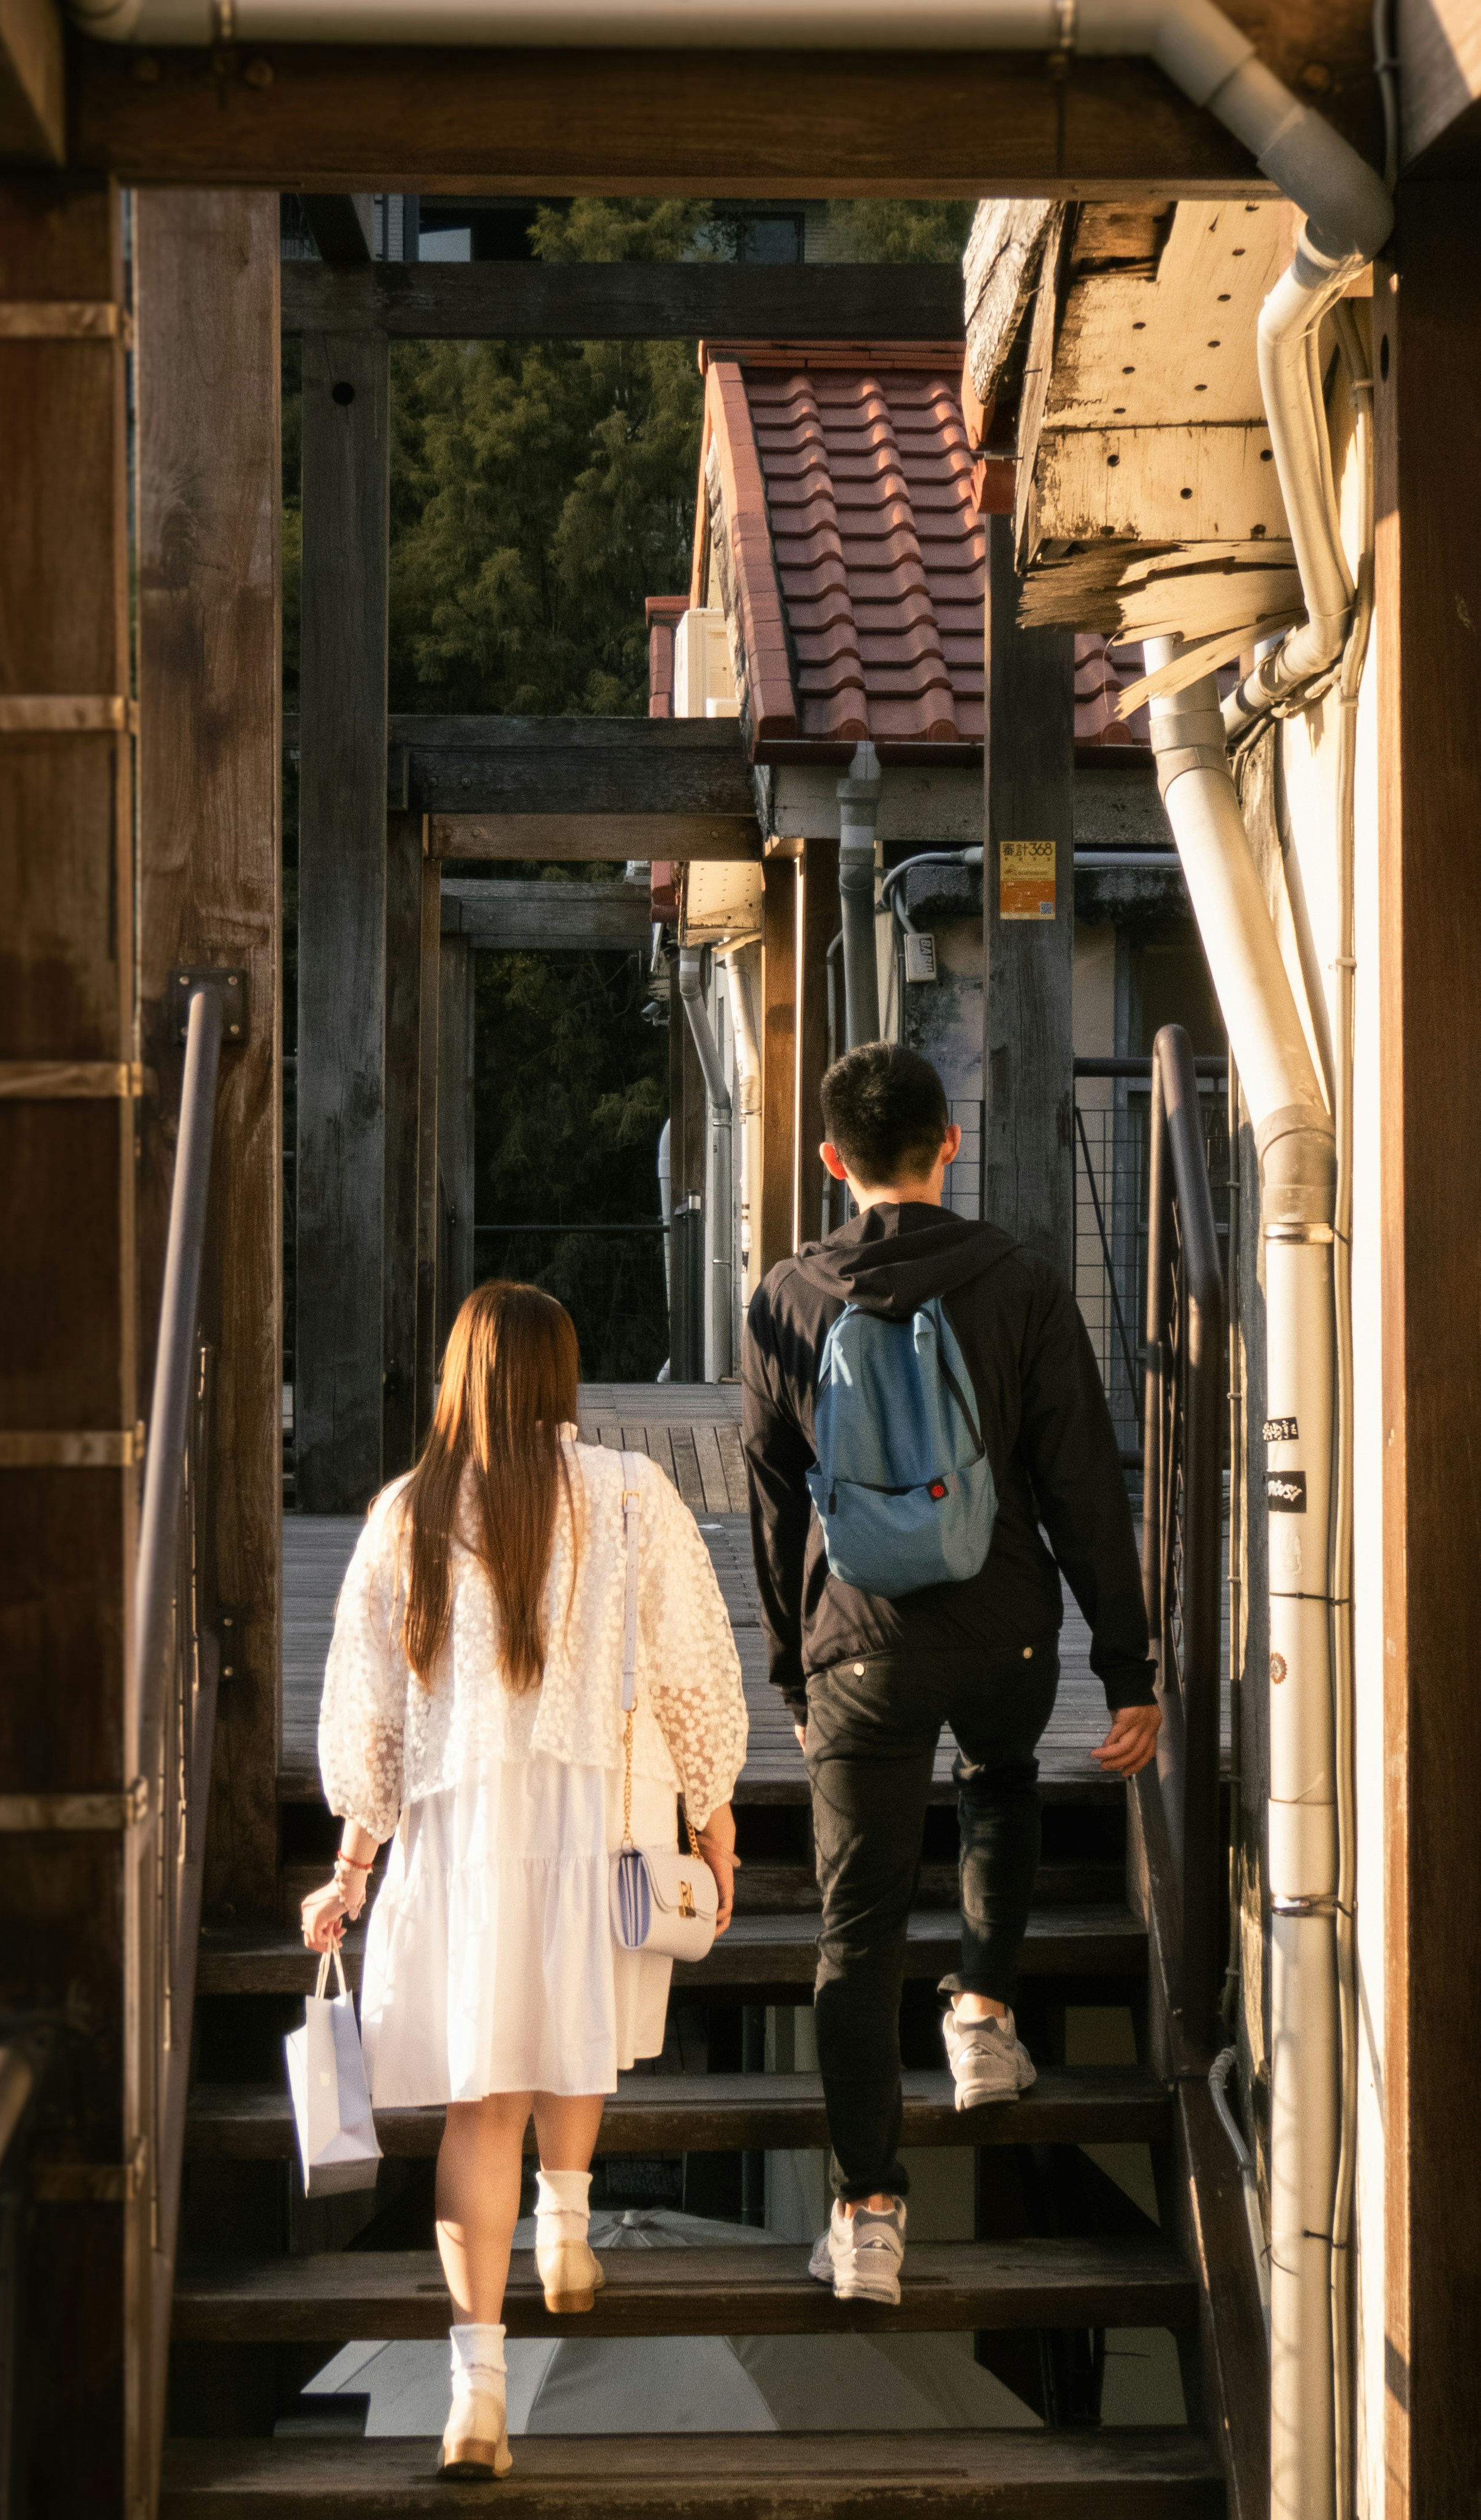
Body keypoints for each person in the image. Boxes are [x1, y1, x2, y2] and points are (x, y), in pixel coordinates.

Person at [302, 1281, 748, 2478]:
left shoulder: (407, 1512)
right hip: (602, 1814)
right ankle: (566, 2220)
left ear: (459, 1379)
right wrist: (715, 1821)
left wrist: (352, 1863)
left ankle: (477, 2392)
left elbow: (371, 1721)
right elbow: (696, 1668)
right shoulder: (630, 1495)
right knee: (574, 2023)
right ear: (561, 1379)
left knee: (477, 2102)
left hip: (463, 1833)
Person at [741, 1042, 1160, 2311]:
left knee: (854, 1939)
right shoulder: (1022, 1282)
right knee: (1000, 1779)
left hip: (858, 1642)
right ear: (950, 1142)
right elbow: (1083, 1478)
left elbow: (771, 1501)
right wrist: (1126, 1659)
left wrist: (791, 1663)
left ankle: (869, 2215)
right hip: (1007, 1633)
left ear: (834, 1160)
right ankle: (983, 2015)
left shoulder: (786, 1298)